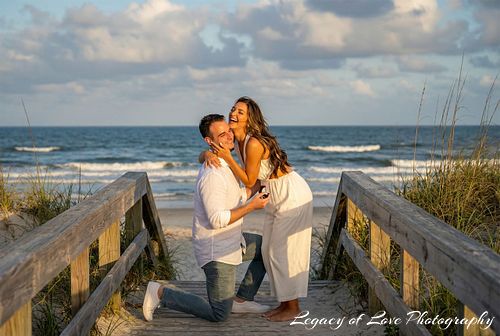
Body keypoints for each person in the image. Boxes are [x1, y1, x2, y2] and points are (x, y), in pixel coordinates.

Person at [142, 114, 270, 322]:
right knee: (219, 314)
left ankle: (242, 300)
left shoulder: (224, 165)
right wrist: (252, 207)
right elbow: (217, 219)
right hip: (217, 251)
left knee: (267, 248)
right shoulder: (213, 175)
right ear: (209, 141)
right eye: (222, 134)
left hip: (233, 240)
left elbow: (235, 196)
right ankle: (160, 293)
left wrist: (257, 187)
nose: (229, 136)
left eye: (229, 130)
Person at [201, 97, 313, 322]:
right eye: (233, 109)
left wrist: (227, 159)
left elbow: (249, 179)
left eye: (241, 112)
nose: (234, 113)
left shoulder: (253, 143)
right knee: (270, 250)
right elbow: (252, 182)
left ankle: (293, 307)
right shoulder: (239, 141)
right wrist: (206, 154)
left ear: (250, 118)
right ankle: (285, 304)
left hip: (291, 194)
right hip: (275, 194)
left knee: (284, 252)